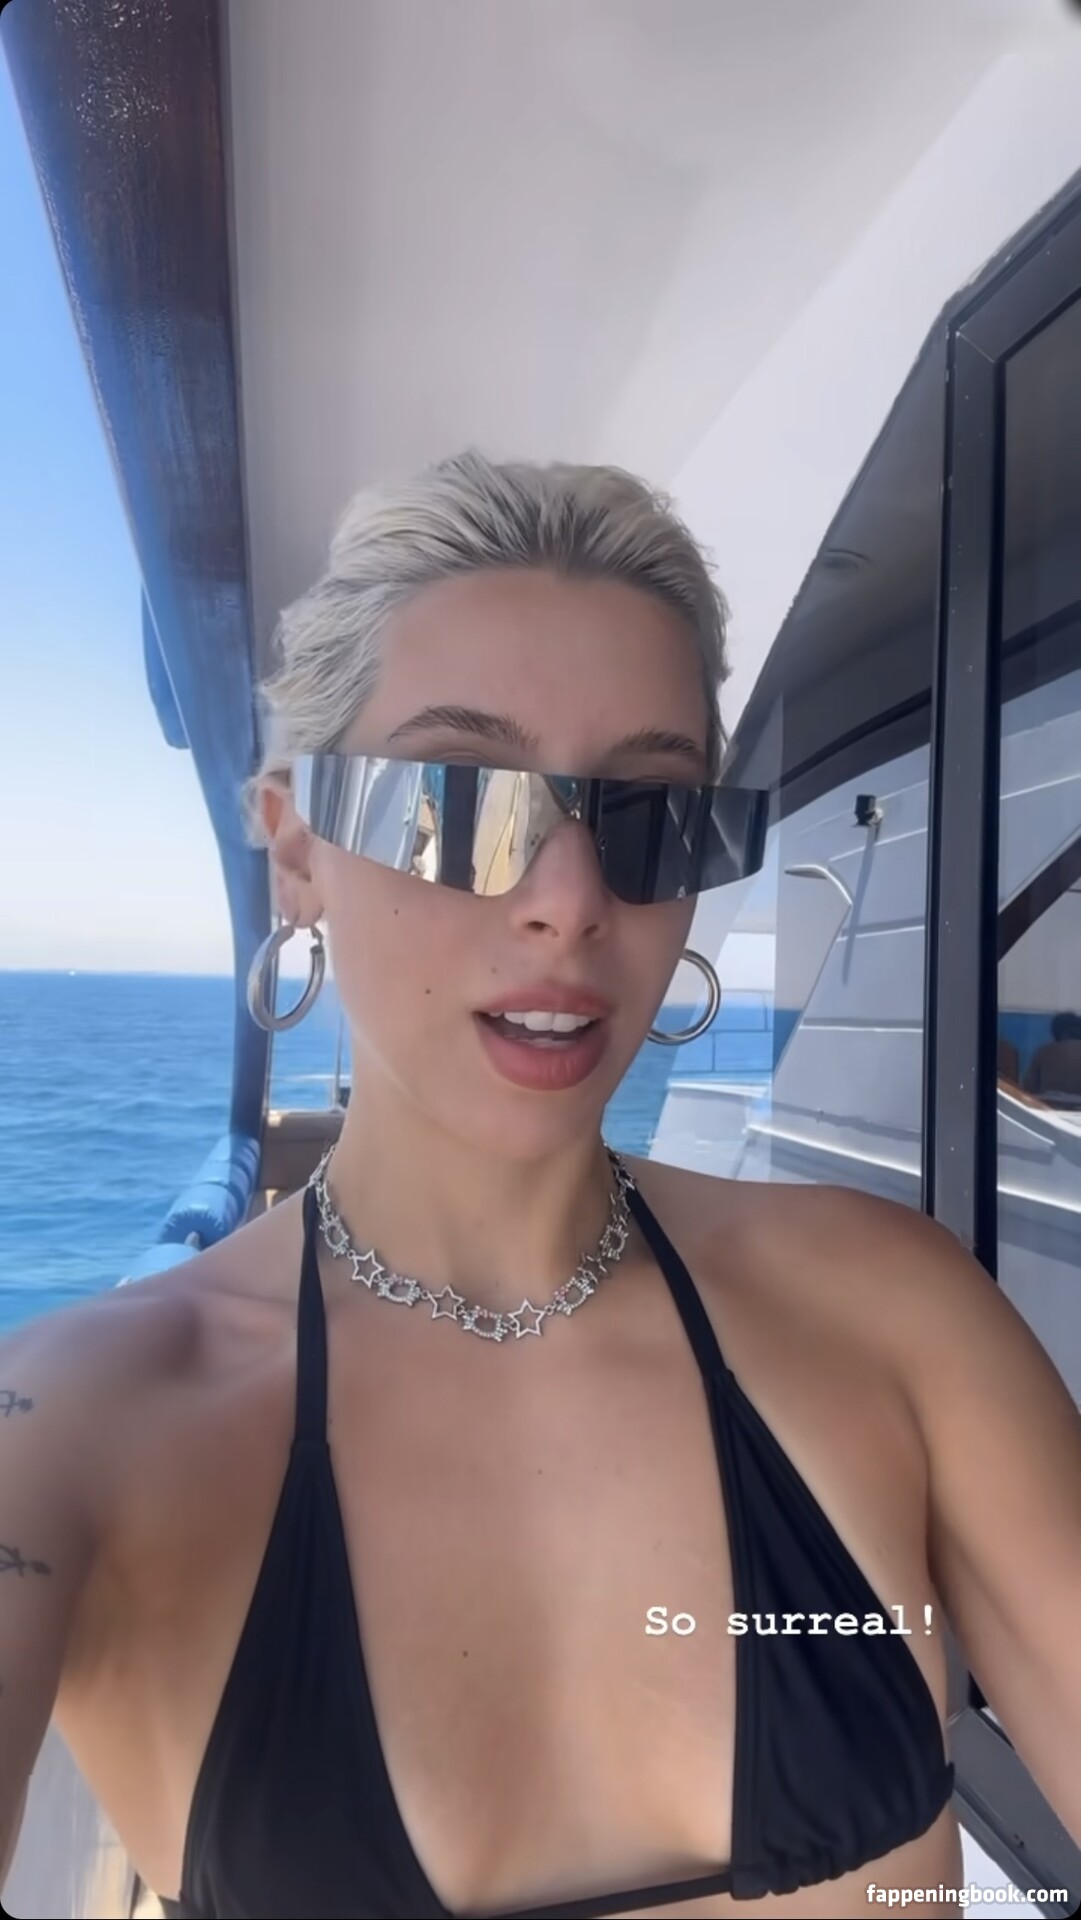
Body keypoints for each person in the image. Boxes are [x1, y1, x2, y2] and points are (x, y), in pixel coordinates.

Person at [2, 452, 1080, 1920]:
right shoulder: (85, 1427)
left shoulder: (892, 1312)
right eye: (457, 802)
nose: (569, 900)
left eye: (647, 814)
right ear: (297, 848)